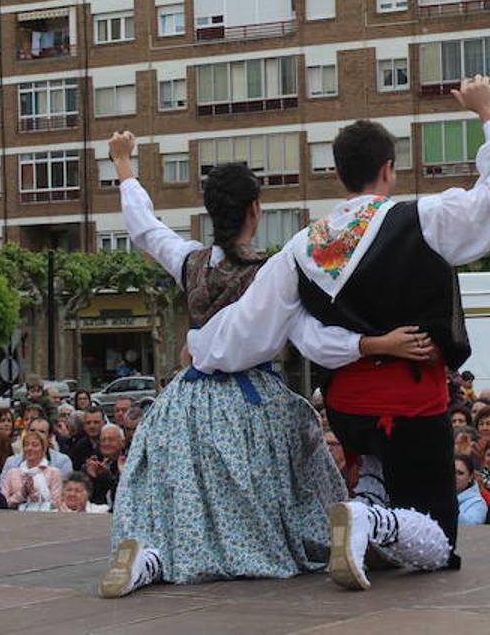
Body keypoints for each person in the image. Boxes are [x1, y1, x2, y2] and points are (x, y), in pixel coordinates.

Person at [183, 77, 490, 591]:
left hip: (346, 406)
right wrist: (489, 116)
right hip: (412, 403)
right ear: (388, 169)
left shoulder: (304, 247)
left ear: (337, 174)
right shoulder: (424, 219)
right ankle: (372, 520)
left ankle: (364, 508)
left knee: (374, 470)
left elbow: (249, 328)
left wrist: (199, 348)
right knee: (437, 540)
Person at [101, 145, 430, 597]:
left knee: (181, 496)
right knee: (296, 495)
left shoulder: (189, 260)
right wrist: (376, 344)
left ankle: (153, 557)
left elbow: (144, 228)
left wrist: (123, 165)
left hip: (186, 402)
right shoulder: (274, 272)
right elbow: (312, 339)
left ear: (212, 212)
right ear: (256, 210)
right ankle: (339, 537)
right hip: (251, 404)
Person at [2, 431, 63, 510]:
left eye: (35, 445)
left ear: (43, 449)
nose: (29, 448)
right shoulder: (12, 473)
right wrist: (22, 494)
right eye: (26, 445)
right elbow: (3, 502)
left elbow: (56, 503)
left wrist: (36, 496)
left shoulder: (53, 472)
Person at [453, 455, 487, 525]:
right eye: (451, 471)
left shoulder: (478, 502)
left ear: (470, 477)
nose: (454, 476)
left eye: (460, 473)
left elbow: (472, 525)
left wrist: (446, 505)